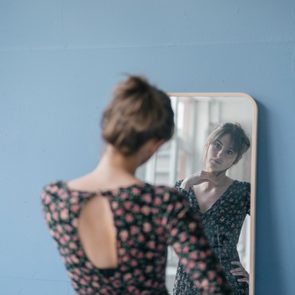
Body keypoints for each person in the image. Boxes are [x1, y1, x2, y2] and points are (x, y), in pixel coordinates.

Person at [41, 76, 232, 295]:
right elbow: (216, 288)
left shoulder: (55, 198)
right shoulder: (162, 203)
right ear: (154, 144)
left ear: (107, 125)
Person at [173, 123, 251, 295]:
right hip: (186, 283)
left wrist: (256, 274)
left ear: (235, 159)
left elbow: (273, 231)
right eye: (217, 145)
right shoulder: (183, 187)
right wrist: (186, 184)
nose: (220, 154)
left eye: (229, 152)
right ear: (207, 144)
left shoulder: (243, 192)